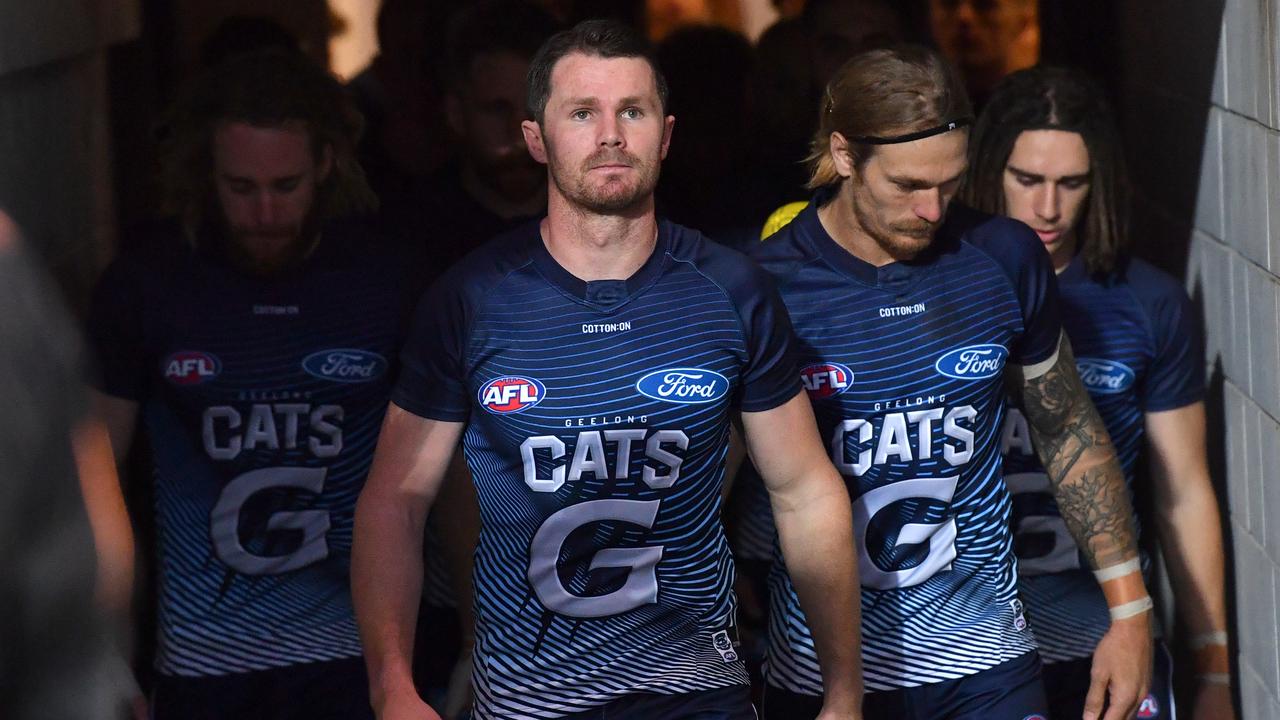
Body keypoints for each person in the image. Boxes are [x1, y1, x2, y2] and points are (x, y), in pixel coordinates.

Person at [353, 19, 864, 720]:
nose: (611, 135)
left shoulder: (732, 289)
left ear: (668, 132)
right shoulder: (469, 299)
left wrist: (843, 690)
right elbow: (396, 501)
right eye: (582, 113)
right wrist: (392, 687)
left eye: (633, 110)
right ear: (536, 137)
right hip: (529, 701)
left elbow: (804, 491)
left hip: (699, 694)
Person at [748, 46, 1152, 720]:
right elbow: (712, 478)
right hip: (822, 677)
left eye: (951, 184)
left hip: (987, 662)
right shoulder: (765, 284)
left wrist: (1131, 611)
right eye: (908, 186)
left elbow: (1069, 430)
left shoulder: (1002, 255)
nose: (934, 210)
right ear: (845, 156)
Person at [87, 49, 413, 719]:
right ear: (208, 176)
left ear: (325, 164)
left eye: (286, 185)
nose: (264, 211)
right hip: (205, 655)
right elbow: (88, 474)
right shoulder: (149, 286)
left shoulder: (383, 282)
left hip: (350, 651)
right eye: (241, 188)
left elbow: (434, 479)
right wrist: (99, 654)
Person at [962, 65, 1235, 720]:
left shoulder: (1148, 303)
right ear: (990, 169)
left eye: (1071, 184)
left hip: (1108, 631)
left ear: (1099, 184)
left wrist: (1217, 673)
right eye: (1028, 180)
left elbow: (1183, 493)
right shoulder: (941, 293)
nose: (1048, 207)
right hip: (968, 647)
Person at [381, 0, 559, 272]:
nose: (520, 134)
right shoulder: (409, 239)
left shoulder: (614, 222)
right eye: (497, 110)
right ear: (456, 113)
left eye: (537, 111)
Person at [928, 0, 1038, 108]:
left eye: (985, 5)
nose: (963, 16)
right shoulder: (921, 107)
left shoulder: (1043, 110)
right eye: (949, 4)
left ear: (1024, 17)